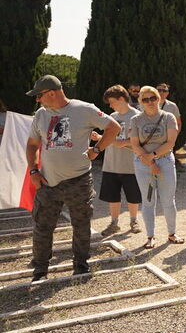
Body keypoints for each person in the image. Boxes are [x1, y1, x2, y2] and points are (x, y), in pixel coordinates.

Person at [25, 75, 121, 280]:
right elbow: (32, 144)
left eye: (39, 95)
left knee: (81, 225)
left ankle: (81, 265)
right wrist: (33, 171)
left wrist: (97, 149)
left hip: (78, 181)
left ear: (52, 93)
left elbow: (114, 127)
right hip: (47, 182)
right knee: (42, 226)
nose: (37, 100)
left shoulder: (84, 109)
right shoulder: (40, 114)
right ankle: (40, 269)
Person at [129, 85, 182, 249]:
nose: (150, 102)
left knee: (168, 200)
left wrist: (153, 157)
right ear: (140, 102)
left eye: (153, 98)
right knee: (148, 200)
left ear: (159, 98)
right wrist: (150, 162)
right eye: (145, 99)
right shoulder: (135, 120)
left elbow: (171, 142)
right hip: (143, 162)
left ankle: (172, 233)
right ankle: (150, 236)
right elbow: (134, 144)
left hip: (164, 160)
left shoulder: (168, 117)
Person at [92, 85, 142, 237]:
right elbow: (110, 139)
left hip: (131, 165)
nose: (110, 105)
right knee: (112, 196)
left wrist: (124, 142)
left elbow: (143, 140)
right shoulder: (112, 116)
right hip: (111, 164)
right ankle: (114, 223)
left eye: (112, 102)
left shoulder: (137, 116)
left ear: (121, 99)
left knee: (133, 196)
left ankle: (134, 221)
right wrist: (99, 138)